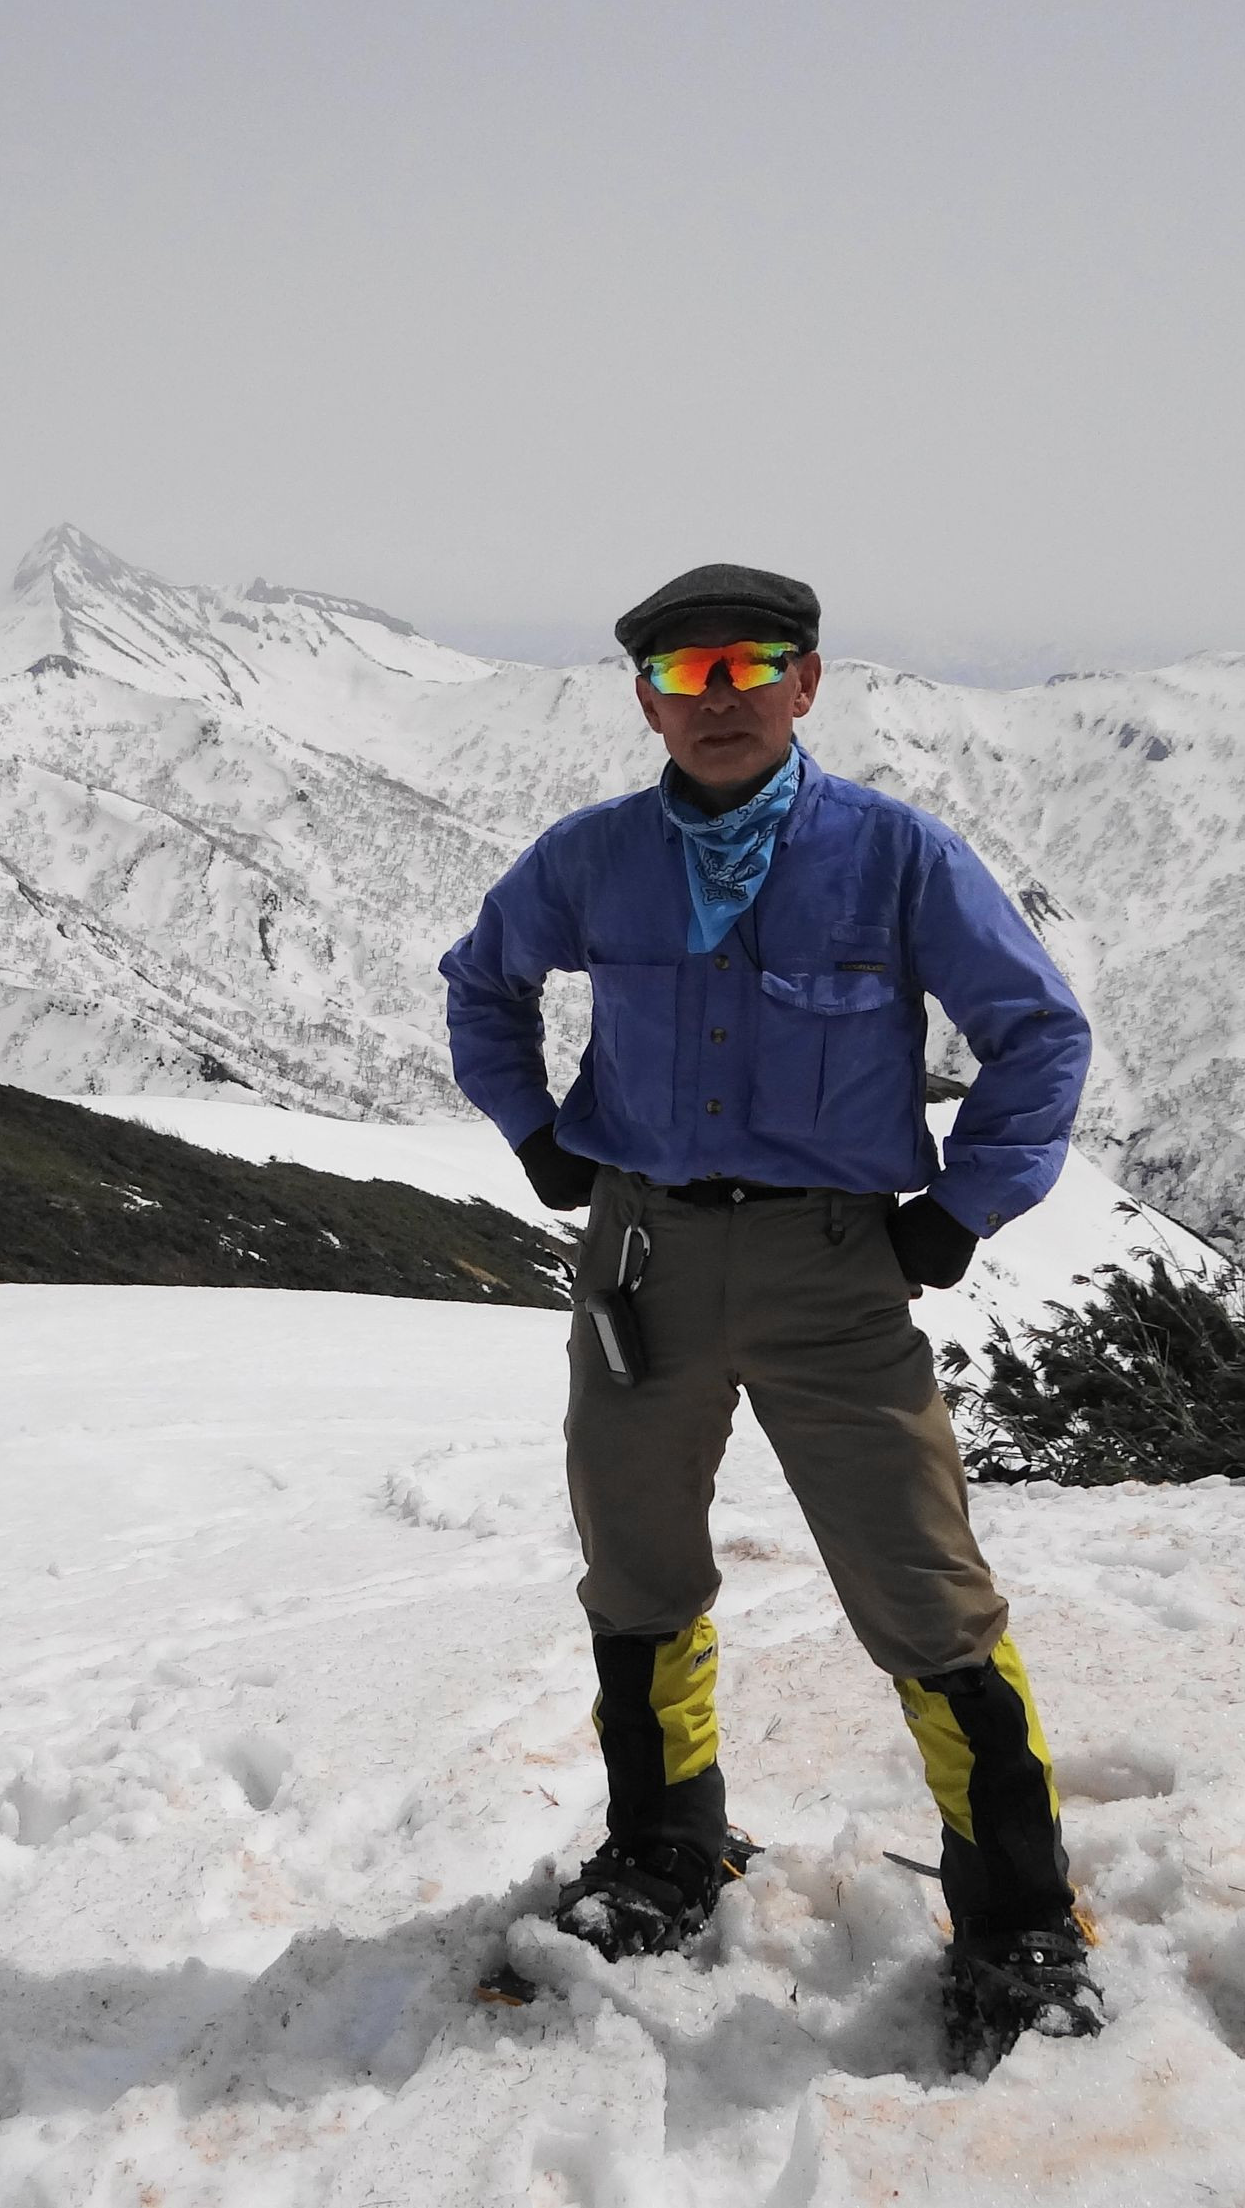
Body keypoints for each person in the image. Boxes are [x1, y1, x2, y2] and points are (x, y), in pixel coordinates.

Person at [439, 561, 1104, 2059]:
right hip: (643, 1258)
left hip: (832, 1267)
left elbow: (1038, 1033)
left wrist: (962, 1207)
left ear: (806, 682)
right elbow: (483, 984)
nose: (719, 697)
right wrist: (536, 1134)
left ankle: (1019, 1913)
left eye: (750, 666)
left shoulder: (894, 857)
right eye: (685, 674)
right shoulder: (594, 859)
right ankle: (666, 1848)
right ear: (647, 702)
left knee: (924, 1584)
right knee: (637, 1566)